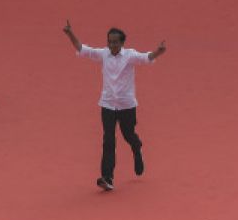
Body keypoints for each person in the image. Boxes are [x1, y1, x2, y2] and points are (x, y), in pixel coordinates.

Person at [62, 20, 166, 191]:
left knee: (128, 135)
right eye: (109, 41)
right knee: (108, 140)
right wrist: (69, 34)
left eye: (115, 42)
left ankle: (136, 147)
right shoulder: (103, 54)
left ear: (122, 43)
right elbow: (83, 49)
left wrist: (158, 52)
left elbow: (146, 58)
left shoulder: (130, 55)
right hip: (108, 104)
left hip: (126, 105)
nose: (112, 45)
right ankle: (107, 177)